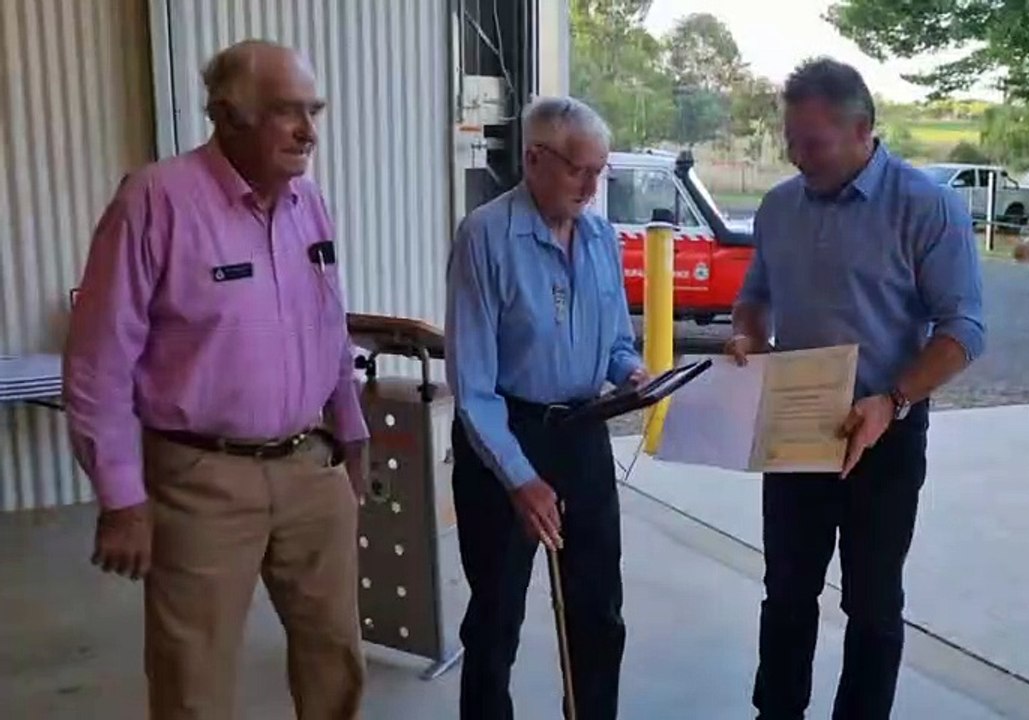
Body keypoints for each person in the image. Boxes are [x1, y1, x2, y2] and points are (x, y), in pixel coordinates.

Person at [62, 39, 368, 719]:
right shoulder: (156, 200)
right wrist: (122, 499)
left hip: (309, 466)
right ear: (228, 117)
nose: (308, 131)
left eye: (312, 111)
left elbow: (329, 328)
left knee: (335, 659)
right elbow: (98, 363)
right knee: (191, 679)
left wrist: (351, 434)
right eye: (287, 112)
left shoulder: (308, 203)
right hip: (201, 480)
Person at [728, 58, 986, 720]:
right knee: (786, 588)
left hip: (885, 429)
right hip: (794, 427)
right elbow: (755, 299)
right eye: (791, 139)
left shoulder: (926, 207)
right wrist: (748, 340)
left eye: (811, 142)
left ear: (862, 129)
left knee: (872, 600)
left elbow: (964, 330)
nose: (796, 154)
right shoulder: (780, 207)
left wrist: (893, 400)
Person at [444, 95, 649, 720]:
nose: (591, 187)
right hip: (504, 439)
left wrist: (631, 372)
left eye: (599, 171)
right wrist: (520, 478)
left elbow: (616, 339)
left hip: (583, 438)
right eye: (577, 170)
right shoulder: (486, 235)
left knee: (598, 611)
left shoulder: (599, 236)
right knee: (495, 619)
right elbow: (473, 385)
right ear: (534, 159)